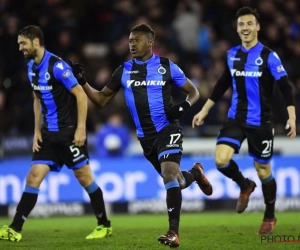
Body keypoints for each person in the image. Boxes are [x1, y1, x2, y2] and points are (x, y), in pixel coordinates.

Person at [69, 23, 213, 248]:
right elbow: (100, 100)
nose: (132, 44)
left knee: (169, 174)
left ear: (150, 42)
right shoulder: (123, 70)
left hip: (168, 129)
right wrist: (83, 82)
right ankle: (196, 173)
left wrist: (184, 107)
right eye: (130, 41)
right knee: (178, 180)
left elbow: (193, 91)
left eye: (137, 40)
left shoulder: (166, 66)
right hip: (146, 139)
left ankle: (173, 233)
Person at [0, 25, 112, 242]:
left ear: (35, 42)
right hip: (48, 136)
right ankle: (15, 228)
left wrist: (81, 129)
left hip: (69, 134)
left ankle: (104, 225)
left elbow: (80, 95)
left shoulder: (58, 66)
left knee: (85, 178)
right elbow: (36, 98)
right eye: (19, 44)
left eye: (23, 43)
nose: (20, 48)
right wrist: (36, 131)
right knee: (33, 176)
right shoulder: (31, 67)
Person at [192, 7, 296, 235]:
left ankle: (269, 215)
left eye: (249, 24)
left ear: (257, 27)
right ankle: (244, 185)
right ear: (237, 29)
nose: (245, 28)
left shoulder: (269, 56)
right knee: (221, 160)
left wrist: (292, 116)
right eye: (241, 25)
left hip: (261, 123)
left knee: (263, 170)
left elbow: (285, 87)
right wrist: (205, 110)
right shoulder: (232, 55)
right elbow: (222, 84)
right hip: (236, 119)